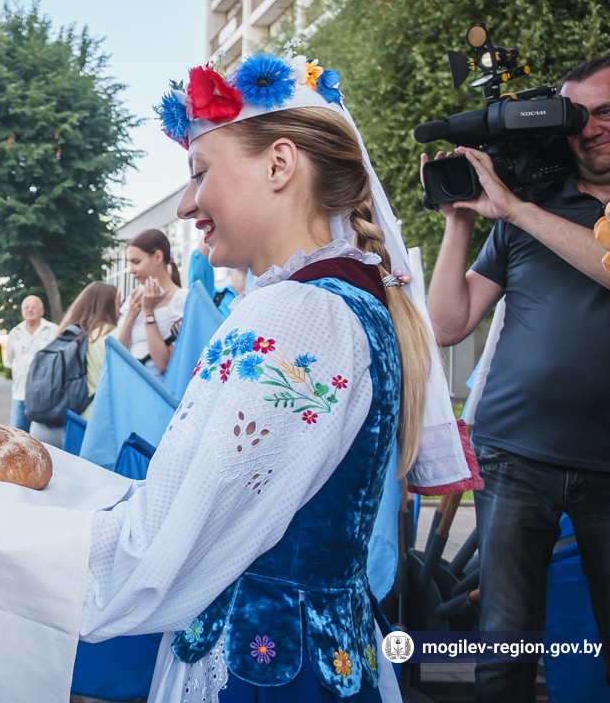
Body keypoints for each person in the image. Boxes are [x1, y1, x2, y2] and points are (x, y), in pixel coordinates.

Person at [79, 51, 464, 702]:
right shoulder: (349, 302)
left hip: (263, 670)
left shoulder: (298, 314)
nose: (186, 204)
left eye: (200, 172)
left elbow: (168, 535)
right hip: (316, 658)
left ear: (281, 164)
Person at [425, 54, 610, 701]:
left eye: (606, 111)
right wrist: (462, 218)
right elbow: (449, 323)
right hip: (516, 452)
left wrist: (515, 209)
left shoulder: (528, 215)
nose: (593, 128)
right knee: (505, 645)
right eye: (579, 115)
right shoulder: (525, 214)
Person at [27, 282, 120, 448]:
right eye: (118, 302)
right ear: (108, 305)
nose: (120, 308)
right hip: (79, 425)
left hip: (41, 425)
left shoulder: (65, 333)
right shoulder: (108, 334)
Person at [116, 228, 187, 377]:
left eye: (136, 262)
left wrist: (148, 312)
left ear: (158, 256)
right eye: (129, 263)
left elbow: (163, 364)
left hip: (155, 389)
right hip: (128, 385)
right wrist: (130, 316)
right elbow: (117, 355)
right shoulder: (134, 298)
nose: (131, 270)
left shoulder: (182, 300)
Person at [4, 294, 57, 431]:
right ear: (22, 311)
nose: (29, 310)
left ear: (42, 311)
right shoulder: (15, 333)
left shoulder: (54, 331)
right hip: (20, 395)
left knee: (43, 440)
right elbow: (9, 360)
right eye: (26, 307)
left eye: (34, 307)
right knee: (17, 438)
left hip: (45, 396)